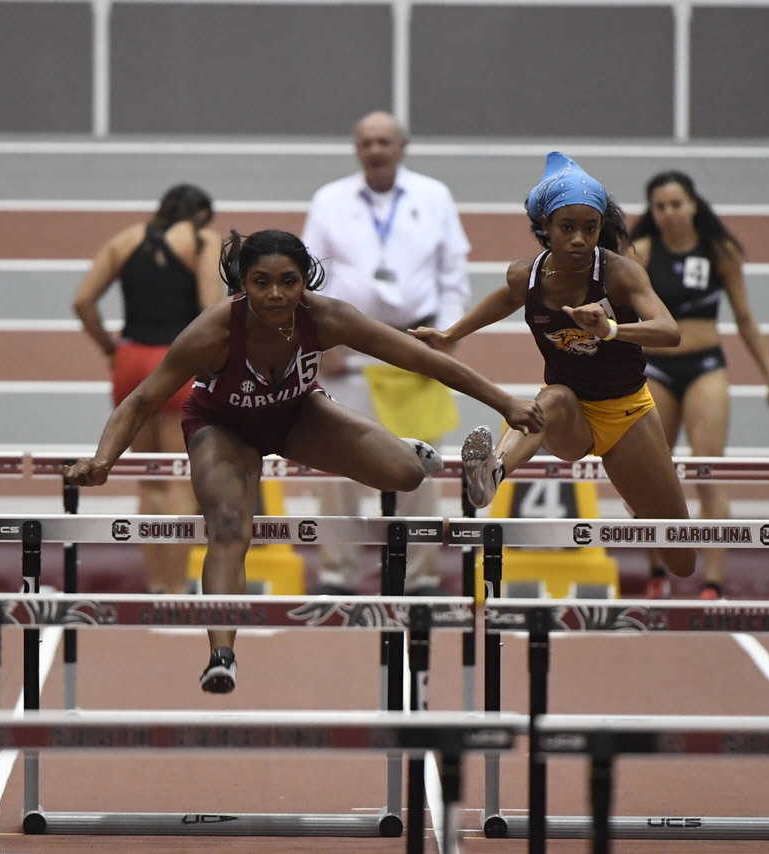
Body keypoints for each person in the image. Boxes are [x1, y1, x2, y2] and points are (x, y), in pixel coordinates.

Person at [64, 229, 541, 693]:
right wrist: (103, 459)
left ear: (306, 279)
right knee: (229, 525)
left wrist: (504, 403)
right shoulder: (214, 329)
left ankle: (405, 450)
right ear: (242, 283)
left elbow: (422, 360)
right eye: (261, 282)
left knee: (407, 475)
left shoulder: (327, 317)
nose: (275, 294)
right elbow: (141, 400)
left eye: (288, 281)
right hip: (223, 427)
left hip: (297, 414)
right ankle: (222, 655)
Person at [412, 152, 696, 584]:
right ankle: (493, 473)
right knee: (552, 398)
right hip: (571, 416)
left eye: (591, 228)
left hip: (628, 414)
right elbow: (502, 300)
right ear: (544, 228)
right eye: (567, 228)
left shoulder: (620, 274)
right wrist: (452, 334)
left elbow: (669, 331)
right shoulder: (525, 277)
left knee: (681, 560)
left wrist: (611, 330)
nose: (580, 239)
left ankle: (639, 502)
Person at [302, 111, 471, 597]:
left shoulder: (434, 197)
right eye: (366, 142)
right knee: (336, 466)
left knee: (420, 465)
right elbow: (310, 275)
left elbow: (452, 272)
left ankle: (419, 576)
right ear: (356, 149)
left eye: (384, 141)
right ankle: (338, 573)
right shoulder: (329, 200)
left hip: (414, 348)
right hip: (346, 349)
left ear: (402, 147)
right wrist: (320, 339)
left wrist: (449, 332)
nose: (375, 150)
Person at [630, 171, 769, 599]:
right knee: (646, 471)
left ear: (693, 205)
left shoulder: (720, 252)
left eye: (676, 204)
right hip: (656, 369)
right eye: (659, 207)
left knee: (708, 466)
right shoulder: (641, 253)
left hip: (705, 366)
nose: (668, 213)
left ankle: (713, 580)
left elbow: (745, 317)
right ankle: (656, 569)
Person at [73, 184, 223, 594]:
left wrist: (108, 347)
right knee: (179, 479)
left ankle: (156, 582)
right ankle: (176, 588)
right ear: (204, 214)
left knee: (148, 479)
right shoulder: (203, 240)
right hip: (177, 363)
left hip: (130, 362)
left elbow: (83, 300)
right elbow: (212, 306)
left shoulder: (125, 240)